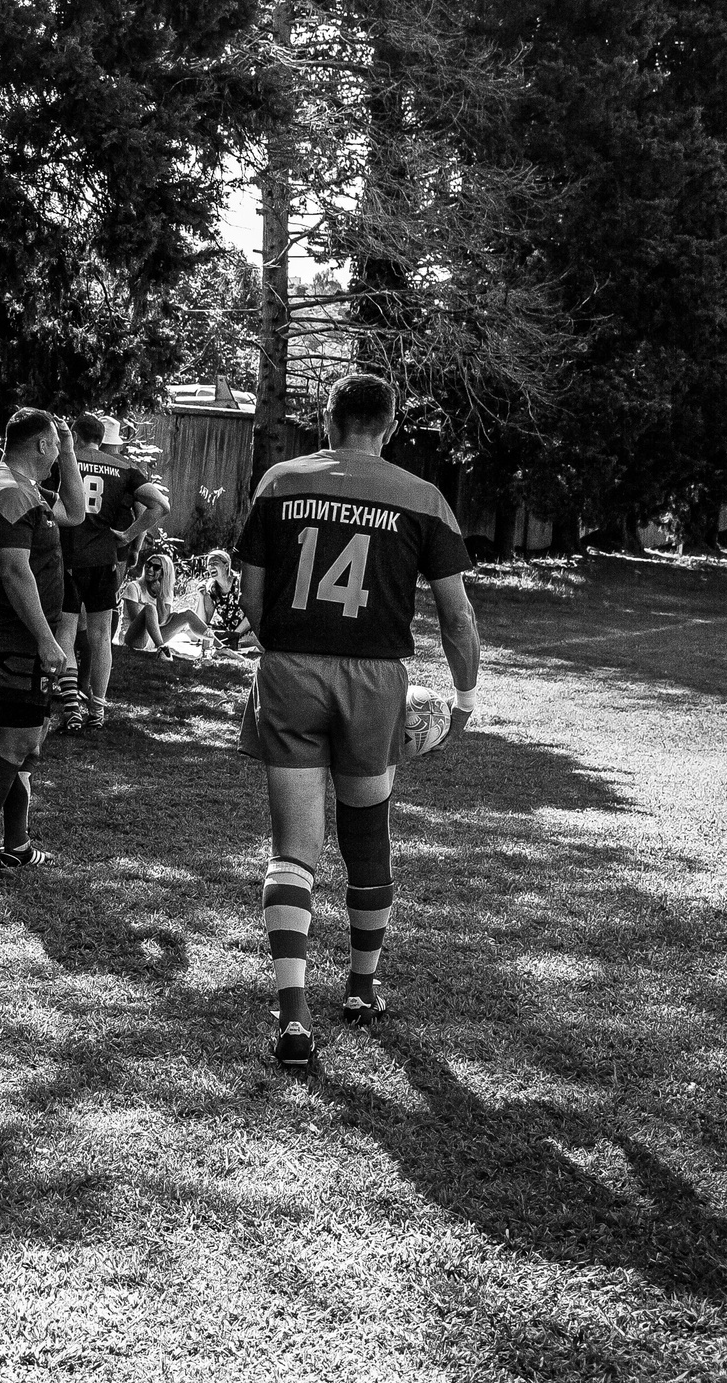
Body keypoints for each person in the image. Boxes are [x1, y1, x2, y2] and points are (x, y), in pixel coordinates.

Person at [232, 372, 479, 1070]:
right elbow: (457, 615)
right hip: (375, 681)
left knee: (293, 850)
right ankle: (364, 986)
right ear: (392, 427)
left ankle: (292, 1014)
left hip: (291, 671)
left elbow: (252, 592)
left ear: (327, 420)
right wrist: (463, 697)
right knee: (367, 833)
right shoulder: (422, 497)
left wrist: (285, 649)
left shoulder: (282, 480)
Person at [0, 410, 87, 879]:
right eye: (55, 445)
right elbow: (15, 571)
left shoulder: (26, 490)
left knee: (29, 744)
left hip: (24, 640)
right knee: (13, 743)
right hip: (13, 639)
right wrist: (47, 640)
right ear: (39, 445)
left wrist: (71, 449)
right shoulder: (10, 493)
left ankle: (16, 844)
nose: (58, 453)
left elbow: (75, 512)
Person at [54, 414, 169, 729]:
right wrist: (129, 535)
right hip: (105, 561)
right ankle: (98, 708)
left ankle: (71, 704)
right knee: (102, 636)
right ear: (103, 438)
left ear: (75, 436)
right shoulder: (126, 470)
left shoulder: (64, 461)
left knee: (66, 632)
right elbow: (160, 505)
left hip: (69, 558)